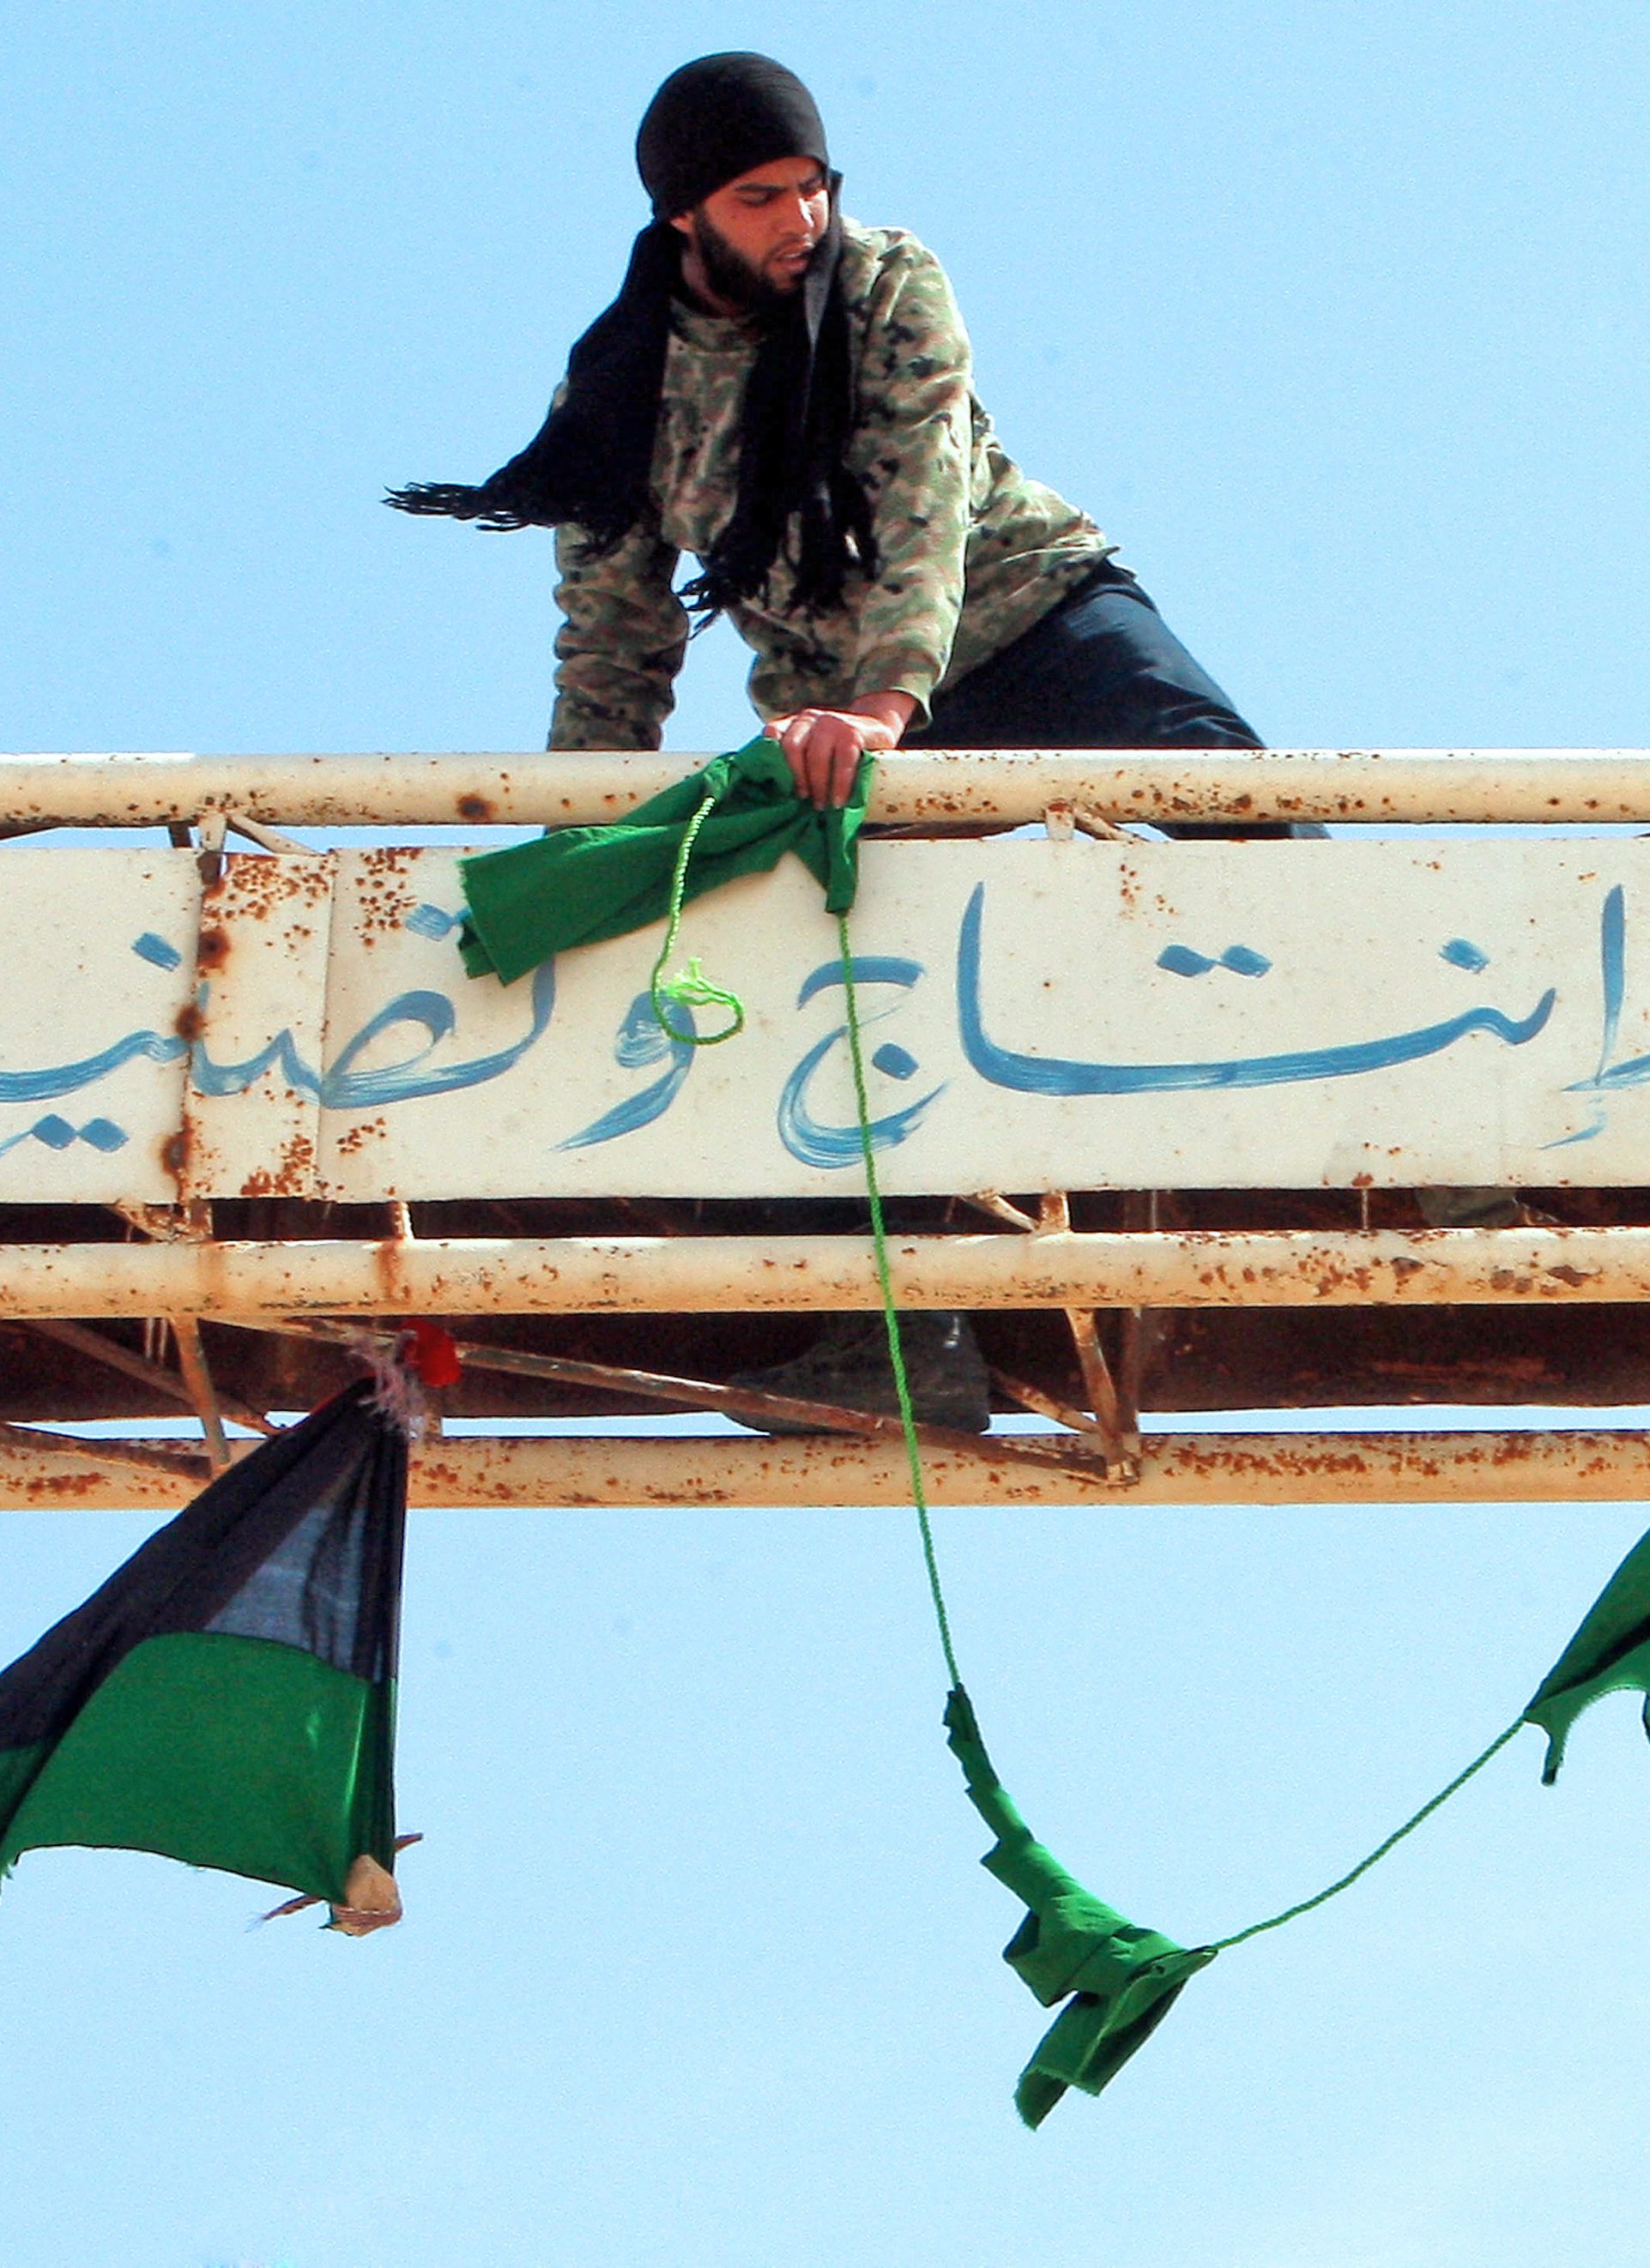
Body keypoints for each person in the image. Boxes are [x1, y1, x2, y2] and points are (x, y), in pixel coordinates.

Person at [394, 51, 1283, 1433]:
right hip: (837, 718)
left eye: (813, 187)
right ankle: (901, 1340)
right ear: (684, 216)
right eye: (762, 197)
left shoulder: (885, 285)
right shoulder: (621, 387)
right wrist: (578, 858)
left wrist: (885, 703)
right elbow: (613, 645)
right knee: (864, 981)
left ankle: (1470, 1165)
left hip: (1030, 623)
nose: (799, 220)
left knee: (1240, 807)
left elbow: (922, 500)